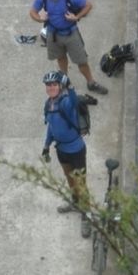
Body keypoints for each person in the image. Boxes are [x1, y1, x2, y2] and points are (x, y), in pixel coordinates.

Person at [30, 0, 108, 95]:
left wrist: (76, 17)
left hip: (71, 33)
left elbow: (88, 5)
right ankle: (64, 80)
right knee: (61, 58)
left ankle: (91, 83)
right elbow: (32, 12)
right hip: (53, 33)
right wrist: (40, 19)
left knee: (81, 61)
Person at [41, 71, 90, 232]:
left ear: (59, 86)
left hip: (76, 149)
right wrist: (46, 146)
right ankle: (75, 202)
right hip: (61, 150)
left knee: (81, 183)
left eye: (54, 84)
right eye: (48, 85)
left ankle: (87, 215)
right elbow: (51, 127)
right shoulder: (48, 104)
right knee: (70, 179)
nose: (51, 88)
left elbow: (75, 102)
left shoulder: (66, 102)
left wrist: (70, 86)